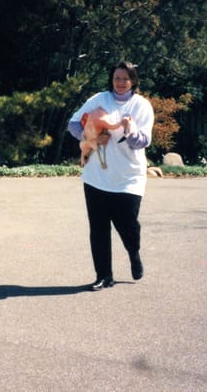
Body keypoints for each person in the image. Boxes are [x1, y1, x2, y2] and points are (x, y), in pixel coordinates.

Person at [68, 60, 154, 291]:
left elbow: (142, 141)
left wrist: (129, 130)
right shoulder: (99, 99)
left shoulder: (141, 105)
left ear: (133, 81)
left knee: (128, 226)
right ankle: (104, 276)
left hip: (128, 177)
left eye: (126, 78)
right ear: (112, 79)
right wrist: (90, 139)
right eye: (117, 78)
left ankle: (133, 254)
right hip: (96, 176)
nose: (121, 83)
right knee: (98, 228)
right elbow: (73, 124)